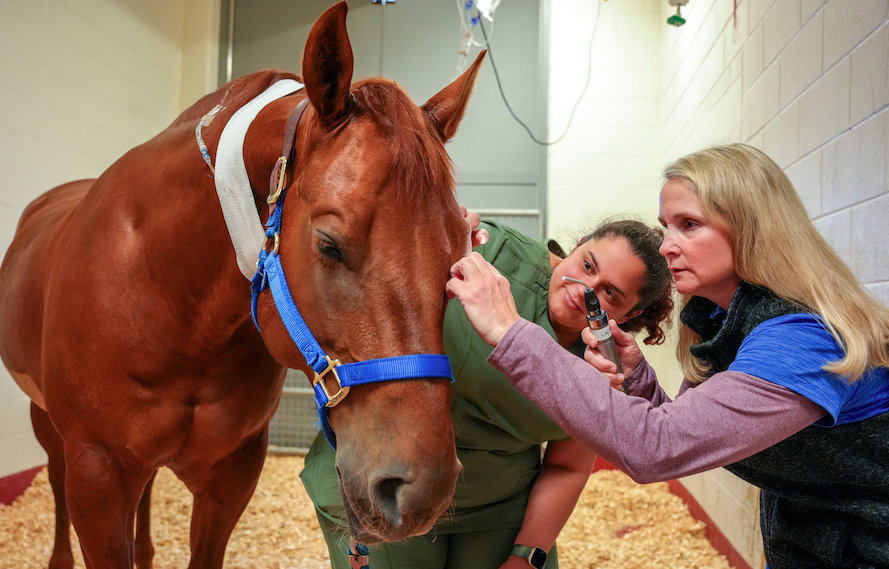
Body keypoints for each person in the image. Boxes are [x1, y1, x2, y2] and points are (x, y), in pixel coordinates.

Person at [447, 143, 889, 569]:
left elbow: (659, 448)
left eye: (689, 225)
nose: (665, 246)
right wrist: (638, 378)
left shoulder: (800, 339)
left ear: (752, 226)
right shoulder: (722, 319)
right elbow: (695, 428)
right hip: (813, 539)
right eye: (667, 225)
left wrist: (509, 331)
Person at [300, 217, 674, 569]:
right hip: (393, 478)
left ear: (626, 316)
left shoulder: (606, 365)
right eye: (588, 265)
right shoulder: (490, 254)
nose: (584, 290)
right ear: (576, 246)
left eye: (610, 293)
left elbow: (568, 465)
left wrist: (527, 555)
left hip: (497, 505)